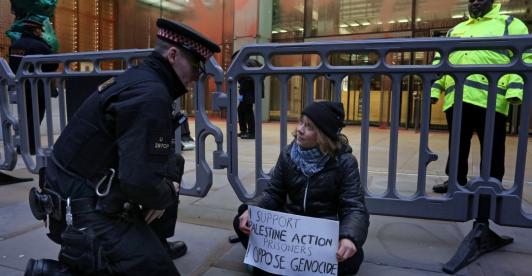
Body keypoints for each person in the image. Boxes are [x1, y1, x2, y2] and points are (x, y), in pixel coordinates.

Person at [25, 18, 220, 275]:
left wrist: (163, 186)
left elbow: (147, 160)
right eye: (196, 68)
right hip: (81, 208)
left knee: (173, 165)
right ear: (173, 55)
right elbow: (139, 182)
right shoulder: (150, 94)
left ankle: (152, 242)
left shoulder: (142, 79)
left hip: (82, 188)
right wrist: (166, 193)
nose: (197, 78)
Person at [233, 101, 370, 275]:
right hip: (290, 230)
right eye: (301, 122)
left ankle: (271, 265)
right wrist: (252, 210)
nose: (300, 129)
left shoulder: (345, 162)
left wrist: (348, 238)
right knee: (242, 219)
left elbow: (354, 208)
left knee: (353, 257)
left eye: (309, 127)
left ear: (323, 135)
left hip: (321, 235)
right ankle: (268, 260)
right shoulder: (288, 154)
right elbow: (274, 193)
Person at [431, 0, 529, 193]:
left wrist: (515, 90)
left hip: (492, 98)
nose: (475, 2)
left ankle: (492, 183)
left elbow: (525, 57)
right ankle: (455, 181)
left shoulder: (510, 24)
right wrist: (435, 90)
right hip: (457, 97)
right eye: (471, 0)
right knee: (457, 143)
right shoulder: (456, 29)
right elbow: (440, 61)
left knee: (492, 144)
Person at [8, 16, 58, 155]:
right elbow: (53, 64)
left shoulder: (16, 45)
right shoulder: (39, 45)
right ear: (35, 30)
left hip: (20, 87)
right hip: (37, 87)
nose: (41, 33)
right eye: (39, 30)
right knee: (35, 117)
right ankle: (31, 147)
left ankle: (21, 146)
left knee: (23, 116)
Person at [236, 56, 262, 139]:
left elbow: (246, 79)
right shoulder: (250, 61)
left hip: (248, 91)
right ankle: (244, 130)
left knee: (247, 111)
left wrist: (241, 91)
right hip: (251, 90)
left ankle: (252, 133)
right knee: (241, 109)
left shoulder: (246, 63)